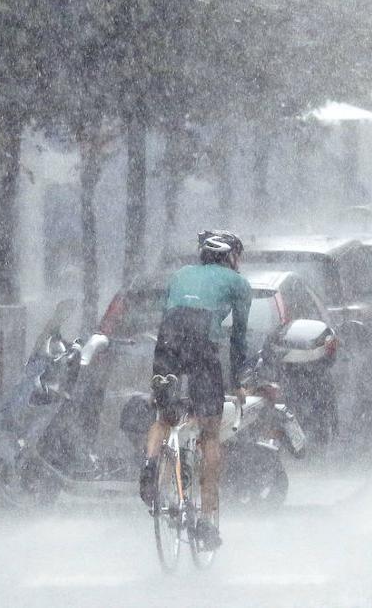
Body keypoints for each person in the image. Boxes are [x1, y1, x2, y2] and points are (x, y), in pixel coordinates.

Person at [138, 230, 252, 550]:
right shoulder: (238, 284)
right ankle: (205, 520)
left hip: (169, 337)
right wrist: (240, 380)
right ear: (230, 256)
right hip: (203, 342)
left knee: (165, 415)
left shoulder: (180, 275)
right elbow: (239, 339)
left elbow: (166, 315)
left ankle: (150, 464)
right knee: (210, 432)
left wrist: (163, 368)